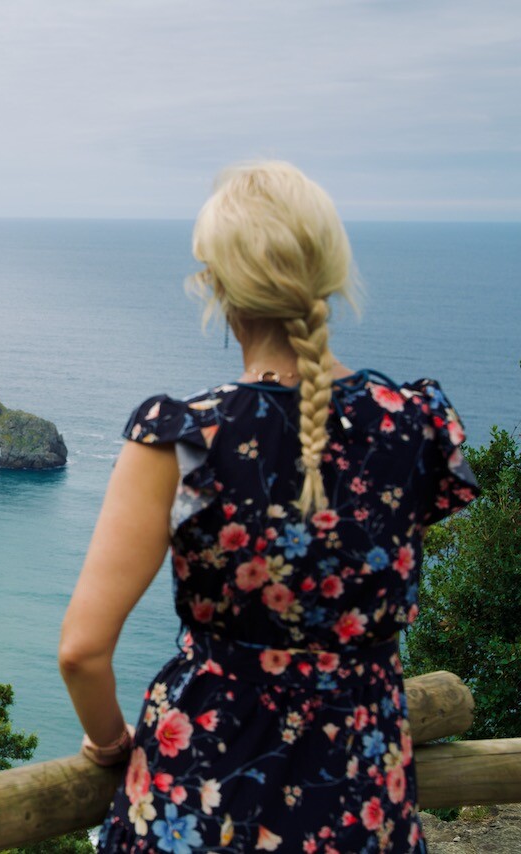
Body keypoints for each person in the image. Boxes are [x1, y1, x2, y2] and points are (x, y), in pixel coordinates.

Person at [59, 161, 479, 853]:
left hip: (204, 792)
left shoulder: (184, 437)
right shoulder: (418, 426)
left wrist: (110, 742)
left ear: (217, 286)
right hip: (364, 791)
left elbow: (81, 651)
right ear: (330, 277)